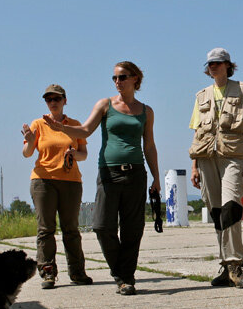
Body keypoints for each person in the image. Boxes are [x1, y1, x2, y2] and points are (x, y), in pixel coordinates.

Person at [46, 62, 160, 295]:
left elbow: (149, 145)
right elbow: (86, 130)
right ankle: (120, 271)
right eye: (115, 78)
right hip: (109, 173)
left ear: (135, 79)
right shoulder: (105, 105)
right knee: (102, 226)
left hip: (136, 173)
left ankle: (125, 278)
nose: (118, 81)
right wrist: (61, 129)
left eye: (122, 77)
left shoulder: (146, 111)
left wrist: (156, 177)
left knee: (132, 229)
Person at [189, 48, 243, 289]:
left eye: (218, 63)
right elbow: (197, 132)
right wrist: (194, 166)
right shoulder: (201, 95)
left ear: (228, 65)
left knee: (231, 206)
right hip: (206, 156)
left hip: (232, 155)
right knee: (216, 211)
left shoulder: (241, 89)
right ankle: (226, 265)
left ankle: (236, 263)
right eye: (210, 64)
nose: (214, 67)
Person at [21, 84, 91, 289]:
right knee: (46, 229)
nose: (53, 102)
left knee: (71, 229)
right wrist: (29, 141)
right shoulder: (38, 124)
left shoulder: (75, 125)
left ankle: (77, 273)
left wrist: (73, 154)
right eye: (49, 99)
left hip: (71, 182)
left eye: (57, 99)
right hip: (43, 181)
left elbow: (84, 155)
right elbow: (27, 153)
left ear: (65, 101)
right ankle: (47, 272)